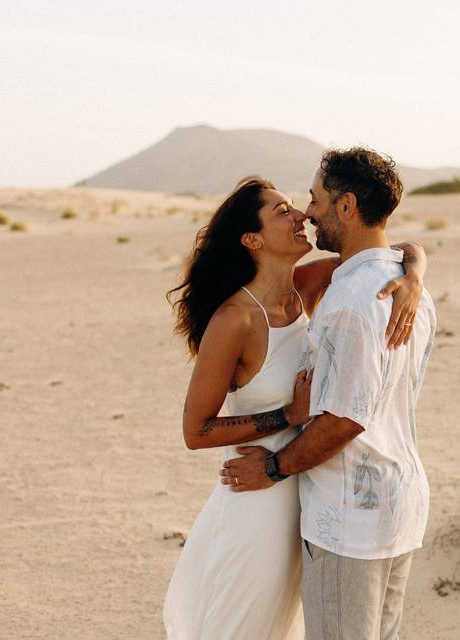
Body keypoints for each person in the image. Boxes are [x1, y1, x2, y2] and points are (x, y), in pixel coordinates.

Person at [163, 176, 428, 640]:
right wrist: (287, 416)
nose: (301, 215)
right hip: (257, 498)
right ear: (252, 239)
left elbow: (393, 247)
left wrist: (414, 277)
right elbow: (195, 431)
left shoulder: (310, 283)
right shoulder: (234, 320)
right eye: (281, 210)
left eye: (297, 205)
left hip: (309, 494)